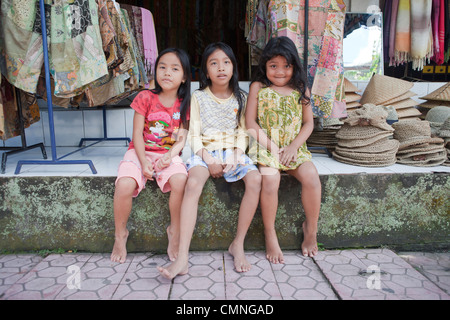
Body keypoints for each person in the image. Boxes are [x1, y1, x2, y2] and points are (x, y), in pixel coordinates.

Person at [158, 42, 261, 279]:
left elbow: (244, 131)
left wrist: (236, 154)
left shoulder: (241, 97)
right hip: (205, 152)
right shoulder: (198, 97)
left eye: (226, 62)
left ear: (234, 68)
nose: (221, 68)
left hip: (234, 152)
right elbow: (193, 134)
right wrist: (208, 159)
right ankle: (182, 257)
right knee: (192, 184)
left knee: (255, 179)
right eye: (213, 63)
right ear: (205, 71)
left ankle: (238, 244)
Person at [111, 48, 191, 264]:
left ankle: (174, 231)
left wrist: (170, 155)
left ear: (184, 76)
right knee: (124, 185)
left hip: (168, 153)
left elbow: (182, 138)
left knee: (181, 180)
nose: (167, 73)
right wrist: (144, 161)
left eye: (175, 69)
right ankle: (120, 235)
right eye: (162, 67)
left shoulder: (184, 103)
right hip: (139, 152)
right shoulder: (145, 97)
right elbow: (137, 134)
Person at [245, 36, 322, 263]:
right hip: (267, 147)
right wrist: (275, 148)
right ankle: (270, 233)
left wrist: (293, 147)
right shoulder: (258, 87)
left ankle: (311, 229)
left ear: (294, 66)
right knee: (270, 180)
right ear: (265, 66)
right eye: (273, 66)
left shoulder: (301, 88)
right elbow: (250, 123)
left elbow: (309, 123)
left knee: (311, 177)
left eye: (286, 66)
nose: (280, 72)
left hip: (294, 148)